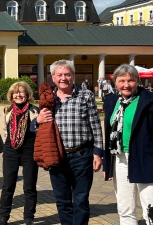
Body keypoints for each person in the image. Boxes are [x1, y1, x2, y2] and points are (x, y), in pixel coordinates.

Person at [37, 59, 103, 225]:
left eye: (67, 74)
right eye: (59, 75)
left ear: (73, 76)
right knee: (62, 200)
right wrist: (36, 121)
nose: (63, 78)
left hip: (82, 155)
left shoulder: (85, 95)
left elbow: (96, 126)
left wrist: (98, 152)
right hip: (57, 156)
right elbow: (40, 129)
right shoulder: (48, 99)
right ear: (53, 77)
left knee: (80, 200)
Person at [103, 64, 153, 225]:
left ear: (137, 81)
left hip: (145, 159)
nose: (126, 85)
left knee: (150, 209)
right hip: (120, 159)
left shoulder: (148, 100)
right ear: (115, 82)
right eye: (122, 80)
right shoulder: (111, 102)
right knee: (125, 209)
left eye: (131, 80)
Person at [0, 82, 39, 225]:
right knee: (8, 185)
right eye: (15, 92)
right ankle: (3, 217)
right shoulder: (8, 110)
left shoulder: (35, 111)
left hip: (29, 150)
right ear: (11, 95)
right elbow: (5, 130)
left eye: (21, 92)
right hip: (11, 150)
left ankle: (28, 218)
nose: (18, 95)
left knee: (29, 186)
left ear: (27, 94)